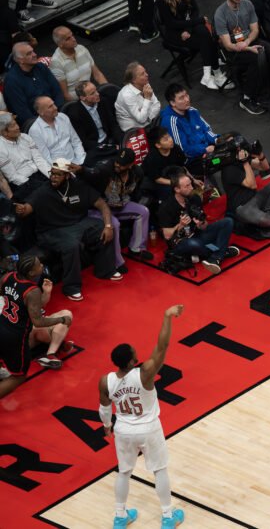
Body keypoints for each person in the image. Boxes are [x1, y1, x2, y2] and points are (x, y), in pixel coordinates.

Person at [98, 304, 187, 528]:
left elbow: (105, 407)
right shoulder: (145, 373)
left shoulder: (105, 380)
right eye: (133, 352)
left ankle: (120, 516)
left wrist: (107, 426)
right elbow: (163, 345)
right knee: (159, 470)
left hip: (124, 430)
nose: (137, 352)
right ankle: (168, 517)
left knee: (124, 472)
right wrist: (167, 316)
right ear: (130, 361)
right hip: (148, 428)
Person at [15, 158, 123, 301]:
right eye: (52, 173)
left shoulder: (78, 186)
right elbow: (28, 208)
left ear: (67, 176)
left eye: (58, 174)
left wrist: (109, 226)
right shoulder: (43, 191)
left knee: (103, 227)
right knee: (71, 245)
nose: (53, 177)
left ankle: (106, 270)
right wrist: (22, 209)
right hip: (51, 231)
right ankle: (71, 288)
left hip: (78, 224)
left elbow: (102, 204)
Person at [0, 256, 73, 399]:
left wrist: (46, 293)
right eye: (39, 265)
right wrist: (63, 319)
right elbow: (38, 321)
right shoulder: (32, 291)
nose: (42, 265)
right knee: (19, 377)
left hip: (2, 324)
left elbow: (6, 297)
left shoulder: (7, 277)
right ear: (32, 273)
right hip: (15, 337)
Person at [214, 0, 270, 115]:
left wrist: (247, 43)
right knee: (256, 58)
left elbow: (255, 30)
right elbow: (228, 45)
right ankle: (247, 98)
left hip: (250, 41)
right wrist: (246, 48)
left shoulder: (247, 4)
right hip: (234, 51)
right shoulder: (220, 14)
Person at [155, 0, 230, 91]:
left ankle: (209, 74)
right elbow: (171, 23)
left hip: (188, 25)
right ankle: (215, 72)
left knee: (203, 31)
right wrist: (196, 22)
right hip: (174, 33)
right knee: (205, 37)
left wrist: (189, 29)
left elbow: (194, 10)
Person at [159, 172, 237, 275]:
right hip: (180, 241)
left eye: (191, 184)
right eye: (187, 186)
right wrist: (180, 225)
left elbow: (205, 226)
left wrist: (201, 223)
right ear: (177, 189)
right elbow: (167, 236)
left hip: (197, 233)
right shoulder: (166, 207)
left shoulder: (194, 198)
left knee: (228, 222)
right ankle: (221, 251)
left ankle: (215, 257)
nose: (191, 188)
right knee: (194, 243)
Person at [221, 137, 270, 234]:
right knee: (266, 221)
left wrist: (260, 154)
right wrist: (245, 162)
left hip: (254, 198)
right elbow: (252, 185)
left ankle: (269, 214)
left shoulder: (240, 160)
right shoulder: (229, 169)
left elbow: (265, 167)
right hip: (242, 208)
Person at [94, 148, 154, 263]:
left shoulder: (137, 173)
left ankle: (137, 248)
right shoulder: (105, 170)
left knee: (144, 211)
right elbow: (91, 179)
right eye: (117, 161)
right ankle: (117, 261)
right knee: (114, 223)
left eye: (121, 164)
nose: (117, 165)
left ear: (130, 165)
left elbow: (136, 190)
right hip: (100, 209)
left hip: (120, 205)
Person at [159, 83, 219, 174]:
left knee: (233, 139)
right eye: (181, 98)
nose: (187, 99)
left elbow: (206, 130)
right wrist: (205, 149)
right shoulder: (171, 121)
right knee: (217, 161)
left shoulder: (192, 111)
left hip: (206, 148)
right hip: (191, 160)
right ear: (172, 103)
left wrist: (217, 140)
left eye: (186, 95)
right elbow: (182, 151)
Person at [4, 41, 65, 122]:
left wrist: (58, 111)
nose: (35, 54)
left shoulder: (41, 67)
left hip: (56, 112)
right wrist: (43, 123)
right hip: (36, 122)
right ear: (20, 60)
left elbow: (57, 90)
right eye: (29, 54)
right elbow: (22, 111)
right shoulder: (12, 81)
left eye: (33, 51)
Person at [65, 81, 121, 164]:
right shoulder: (75, 114)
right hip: (94, 146)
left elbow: (113, 125)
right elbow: (84, 141)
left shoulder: (103, 101)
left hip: (109, 139)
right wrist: (109, 148)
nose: (97, 94)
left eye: (96, 90)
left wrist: (121, 141)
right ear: (83, 98)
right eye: (92, 93)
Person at [48, 27, 110, 102]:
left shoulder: (81, 49)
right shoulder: (56, 62)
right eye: (68, 38)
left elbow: (97, 75)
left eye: (72, 35)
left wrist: (108, 89)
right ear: (60, 44)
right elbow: (65, 95)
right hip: (76, 100)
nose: (73, 39)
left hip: (91, 92)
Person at [0, 112, 50, 200]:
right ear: (4, 133)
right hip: (22, 183)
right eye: (13, 126)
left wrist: (51, 175)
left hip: (39, 174)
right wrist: (36, 185)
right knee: (48, 193)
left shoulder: (26, 137)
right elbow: (13, 177)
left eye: (16, 124)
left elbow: (39, 160)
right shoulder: (1, 149)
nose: (18, 127)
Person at [28, 96, 87, 166]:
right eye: (50, 107)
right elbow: (45, 158)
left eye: (54, 104)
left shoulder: (63, 117)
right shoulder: (35, 131)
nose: (55, 107)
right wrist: (65, 169)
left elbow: (76, 141)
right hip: (59, 169)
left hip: (77, 161)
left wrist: (81, 161)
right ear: (41, 112)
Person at [142, 126, 191, 203]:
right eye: (166, 139)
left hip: (173, 177)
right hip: (156, 183)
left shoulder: (176, 149)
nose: (170, 140)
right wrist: (176, 183)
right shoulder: (152, 158)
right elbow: (157, 179)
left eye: (169, 136)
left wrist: (192, 179)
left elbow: (182, 167)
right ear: (158, 145)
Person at [115, 62, 162, 131]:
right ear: (133, 80)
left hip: (149, 123)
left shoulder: (145, 84)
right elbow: (141, 119)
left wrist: (148, 117)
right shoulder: (126, 95)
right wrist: (148, 99)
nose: (147, 75)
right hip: (134, 130)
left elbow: (157, 105)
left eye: (145, 71)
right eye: (142, 74)